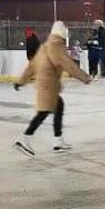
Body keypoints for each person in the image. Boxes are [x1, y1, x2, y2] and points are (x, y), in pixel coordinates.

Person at [13, 21, 91, 156]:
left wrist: (20, 81)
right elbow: (70, 66)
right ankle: (25, 138)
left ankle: (57, 141)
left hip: (44, 85)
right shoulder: (57, 47)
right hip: (49, 86)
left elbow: (32, 67)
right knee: (43, 113)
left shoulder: (44, 47)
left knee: (57, 107)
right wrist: (85, 78)